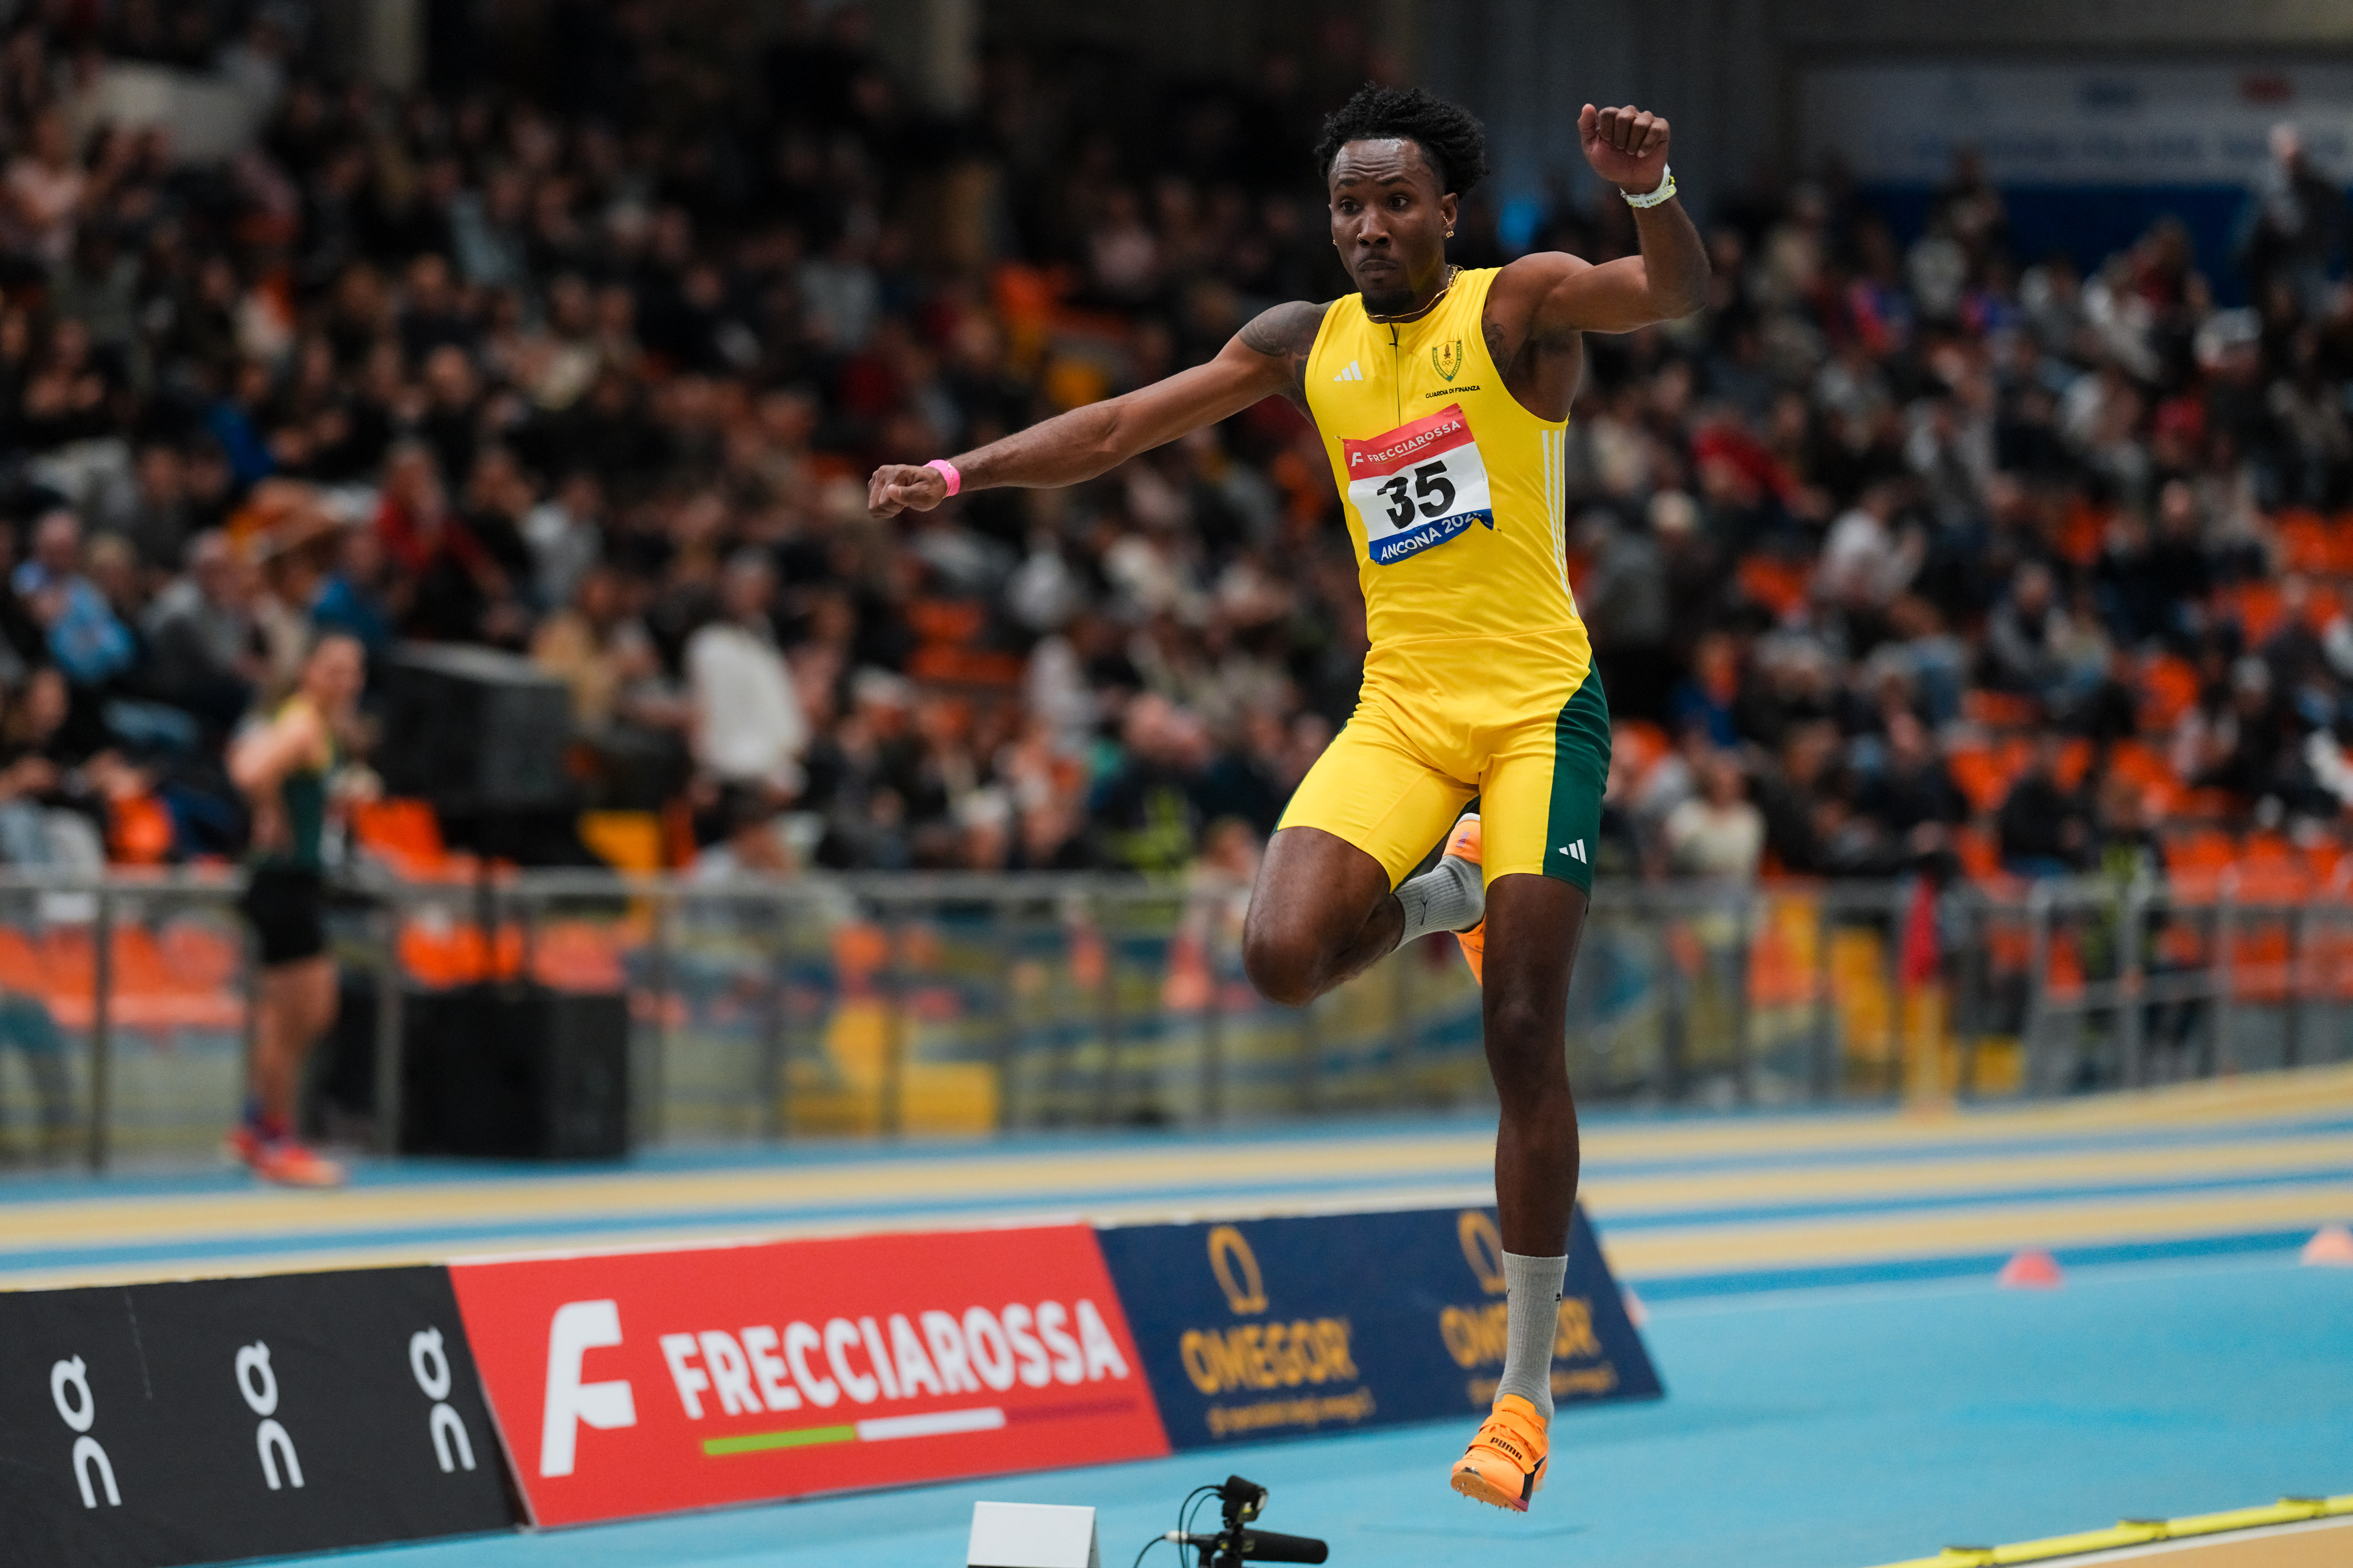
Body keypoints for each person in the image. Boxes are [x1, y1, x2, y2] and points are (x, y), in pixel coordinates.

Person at [869, 85, 1707, 1512]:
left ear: (1445, 210)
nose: (1368, 225)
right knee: (1279, 953)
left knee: (1522, 1030)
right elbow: (1120, 426)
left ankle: (1521, 1393)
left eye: (1395, 202)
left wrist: (1648, 193)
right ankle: (1451, 894)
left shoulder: (1519, 307)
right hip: (1403, 709)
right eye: (1346, 205)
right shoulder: (1300, 343)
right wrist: (962, 471)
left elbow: (1671, 293)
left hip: (1535, 712)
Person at [226, 632, 368, 1187]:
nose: (345, 681)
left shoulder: (314, 723)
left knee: (310, 1014)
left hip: (295, 882)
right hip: (283, 883)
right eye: (333, 669)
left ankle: (255, 1126)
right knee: (294, 1022)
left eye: (352, 671)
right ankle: (276, 1141)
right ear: (308, 670)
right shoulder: (304, 722)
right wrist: (271, 813)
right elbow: (250, 769)